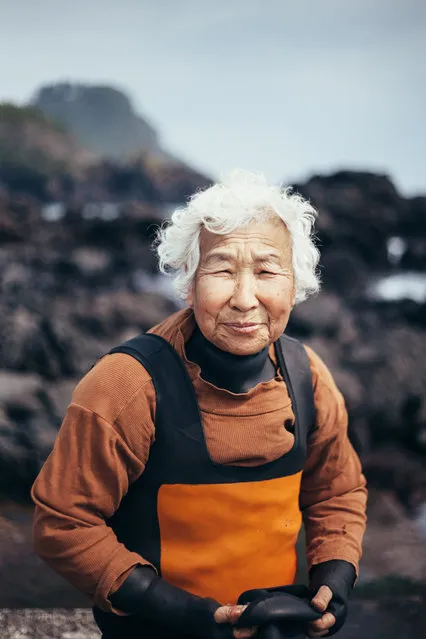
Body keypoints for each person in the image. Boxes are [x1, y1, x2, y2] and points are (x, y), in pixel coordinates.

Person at [31, 170, 367, 638]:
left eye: (268, 271)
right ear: (189, 282)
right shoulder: (127, 384)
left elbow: (336, 491)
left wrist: (335, 574)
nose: (245, 299)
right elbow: (64, 521)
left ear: (296, 286)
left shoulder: (308, 376)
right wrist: (172, 607)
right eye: (223, 270)